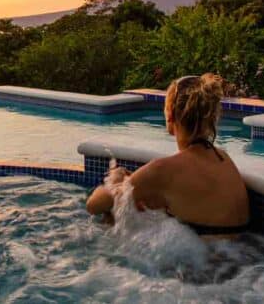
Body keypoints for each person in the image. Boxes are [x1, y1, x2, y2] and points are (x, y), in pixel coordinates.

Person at [86, 73, 249, 235]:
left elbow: (94, 205)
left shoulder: (163, 170)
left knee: (110, 218)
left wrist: (115, 180)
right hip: (239, 254)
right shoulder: (224, 159)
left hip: (198, 258)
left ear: (170, 115)